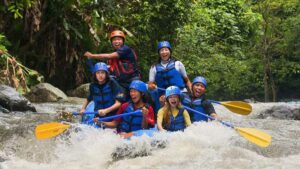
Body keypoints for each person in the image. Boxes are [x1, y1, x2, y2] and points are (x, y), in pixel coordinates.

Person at [84, 30, 140, 99]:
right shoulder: (112, 60)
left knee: (135, 96)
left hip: (132, 81)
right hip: (121, 85)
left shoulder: (126, 49)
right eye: (114, 40)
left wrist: (92, 56)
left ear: (123, 41)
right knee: (119, 97)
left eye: (119, 39)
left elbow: (108, 56)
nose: (116, 42)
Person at [148, 41, 192, 112]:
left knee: (187, 102)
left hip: (180, 92)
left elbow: (187, 80)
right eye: (162, 50)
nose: (164, 52)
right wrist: (151, 86)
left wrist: (192, 91)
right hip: (164, 94)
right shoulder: (153, 68)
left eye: (166, 50)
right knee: (159, 100)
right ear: (159, 53)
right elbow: (150, 84)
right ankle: (160, 118)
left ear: (170, 51)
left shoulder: (178, 64)